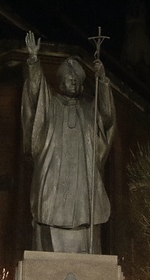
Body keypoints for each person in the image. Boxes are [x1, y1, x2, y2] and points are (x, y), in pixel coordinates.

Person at [21, 31, 116, 254]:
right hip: (54, 183)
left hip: (82, 186)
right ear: (60, 82)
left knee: (85, 219)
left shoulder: (88, 110)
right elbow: (35, 97)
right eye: (68, 79)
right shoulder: (51, 104)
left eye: (77, 80)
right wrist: (34, 62)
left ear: (82, 85)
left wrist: (102, 81)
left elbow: (107, 116)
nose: (72, 82)